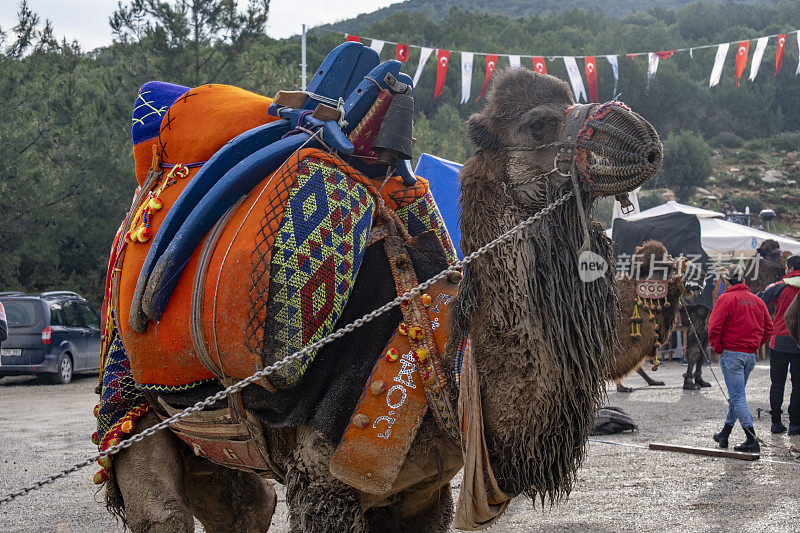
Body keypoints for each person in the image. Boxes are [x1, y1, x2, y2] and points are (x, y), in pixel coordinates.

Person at [708, 268, 773, 452]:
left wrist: (718, 349)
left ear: (726, 282)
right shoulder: (757, 300)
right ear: (743, 279)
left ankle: (751, 438)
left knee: (737, 397)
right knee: (737, 396)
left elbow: (713, 327)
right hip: (749, 355)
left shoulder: (725, 299)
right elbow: (768, 328)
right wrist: (755, 345)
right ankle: (725, 434)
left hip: (732, 354)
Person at [759, 255, 800, 435]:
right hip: (799, 344)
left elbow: (758, 302)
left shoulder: (779, 287)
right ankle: (795, 424)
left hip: (779, 342)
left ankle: (776, 422)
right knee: (798, 385)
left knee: (777, 383)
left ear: (790, 269)